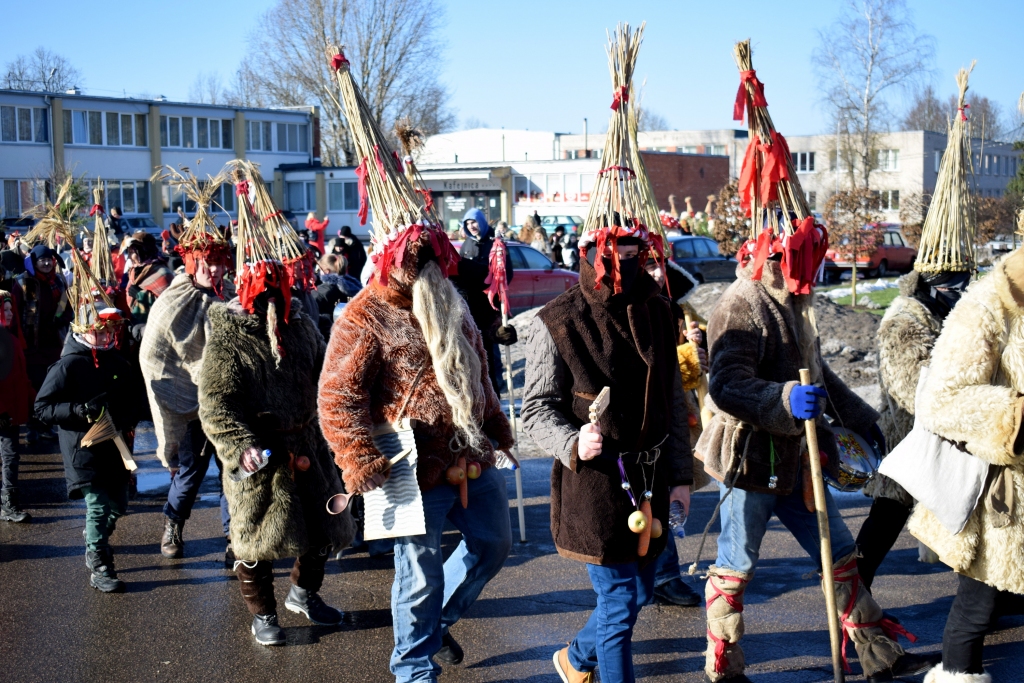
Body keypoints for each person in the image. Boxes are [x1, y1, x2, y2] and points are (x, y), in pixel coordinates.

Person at [695, 249, 937, 683]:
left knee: (841, 556)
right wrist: (784, 397)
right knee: (737, 565)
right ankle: (723, 664)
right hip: (750, 461)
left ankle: (878, 655)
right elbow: (727, 385)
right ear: (771, 256)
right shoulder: (739, 303)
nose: (809, 265)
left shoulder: (794, 301)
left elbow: (820, 373)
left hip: (798, 459)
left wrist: (864, 421)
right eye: (796, 255)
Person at [320, 224, 515, 682]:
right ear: (395, 259)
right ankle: (413, 668)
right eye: (418, 254)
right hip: (409, 464)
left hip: (469, 452)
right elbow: (337, 397)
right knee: (419, 572)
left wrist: (495, 426)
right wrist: (357, 456)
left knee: (494, 544)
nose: (429, 263)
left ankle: (435, 624)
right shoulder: (364, 315)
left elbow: (477, 368)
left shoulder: (451, 298)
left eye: (434, 253)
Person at [522, 226, 693, 683]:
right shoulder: (558, 319)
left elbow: (673, 400)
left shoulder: (658, 309)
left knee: (637, 592)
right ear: (588, 255)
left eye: (635, 254)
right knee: (619, 602)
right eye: (615, 256)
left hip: (652, 481)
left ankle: (576, 660)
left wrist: (681, 477)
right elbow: (536, 411)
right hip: (595, 483)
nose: (626, 265)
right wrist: (573, 441)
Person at [198, 260, 355, 646]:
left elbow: (326, 378)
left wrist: (342, 423)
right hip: (260, 454)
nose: (273, 300)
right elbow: (216, 403)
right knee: (255, 542)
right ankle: (263, 615)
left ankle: (304, 594)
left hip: (308, 446)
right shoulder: (228, 337)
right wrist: (240, 446)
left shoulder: (300, 326)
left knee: (325, 527)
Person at [903, 247, 1024, 683]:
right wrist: (1014, 416)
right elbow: (943, 399)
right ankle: (957, 674)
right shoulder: (985, 307)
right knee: (979, 606)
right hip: (999, 489)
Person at [139, 204, 234, 561]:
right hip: (191, 406)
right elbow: (153, 356)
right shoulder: (171, 300)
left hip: (226, 402)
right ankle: (173, 525)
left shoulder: (231, 294)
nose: (213, 268)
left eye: (219, 261)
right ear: (192, 262)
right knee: (190, 475)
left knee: (233, 472)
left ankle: (233, 537)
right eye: (206, 261)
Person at [34, 301, 144, 592]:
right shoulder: (68, 364)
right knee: (96, 506)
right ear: (84, 330)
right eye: (100, 331)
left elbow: (135, 401)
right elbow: (42, 409)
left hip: (115, 446)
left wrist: (129, 416)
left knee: (118, 506)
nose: (107, 337)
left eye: (111, 331)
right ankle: (100, 564)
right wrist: (80, 410)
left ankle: (95, 538)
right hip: (82, 448)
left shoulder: (120, 362)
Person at [11, 244, 72, 443]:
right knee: (34, 386)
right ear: (34, 262)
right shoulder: (23, 283)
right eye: (41, 260)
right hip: (31, 345)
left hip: (53, 343)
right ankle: (33, 427)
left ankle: (46, 425)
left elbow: (67, 307)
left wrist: (62, 319)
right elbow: (16, 312)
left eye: (48, 259)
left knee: (51, 385)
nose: (46, 263)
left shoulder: (60, 282)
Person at [452, 208, 516, 394]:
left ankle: (497, 389)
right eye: (468, 223)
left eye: (474, 222)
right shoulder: (466, 245)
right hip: (471, 307)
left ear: (481, 221)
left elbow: (506, 274)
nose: (472, 226)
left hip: (490, 305)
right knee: (474, 351)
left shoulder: (496, 244)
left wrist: (492, 281)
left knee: (491, 350)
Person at [0, 289, 34, 523]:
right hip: (2, 412)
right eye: (5, 310)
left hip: (10, 412)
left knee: (11, 457)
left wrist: (34, 403)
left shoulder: (11, 339)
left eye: (12, 309)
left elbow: (20, 377)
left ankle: (8, 505)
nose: (11, 313)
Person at [122, 232, 174, 338]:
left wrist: (141, 295)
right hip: (136, 323)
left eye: (133, 251)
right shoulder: (134, 271)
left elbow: (170, 305)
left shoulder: (162, 273)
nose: (130, 256)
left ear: (144, 251)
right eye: (129, 251)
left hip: (157, 329)